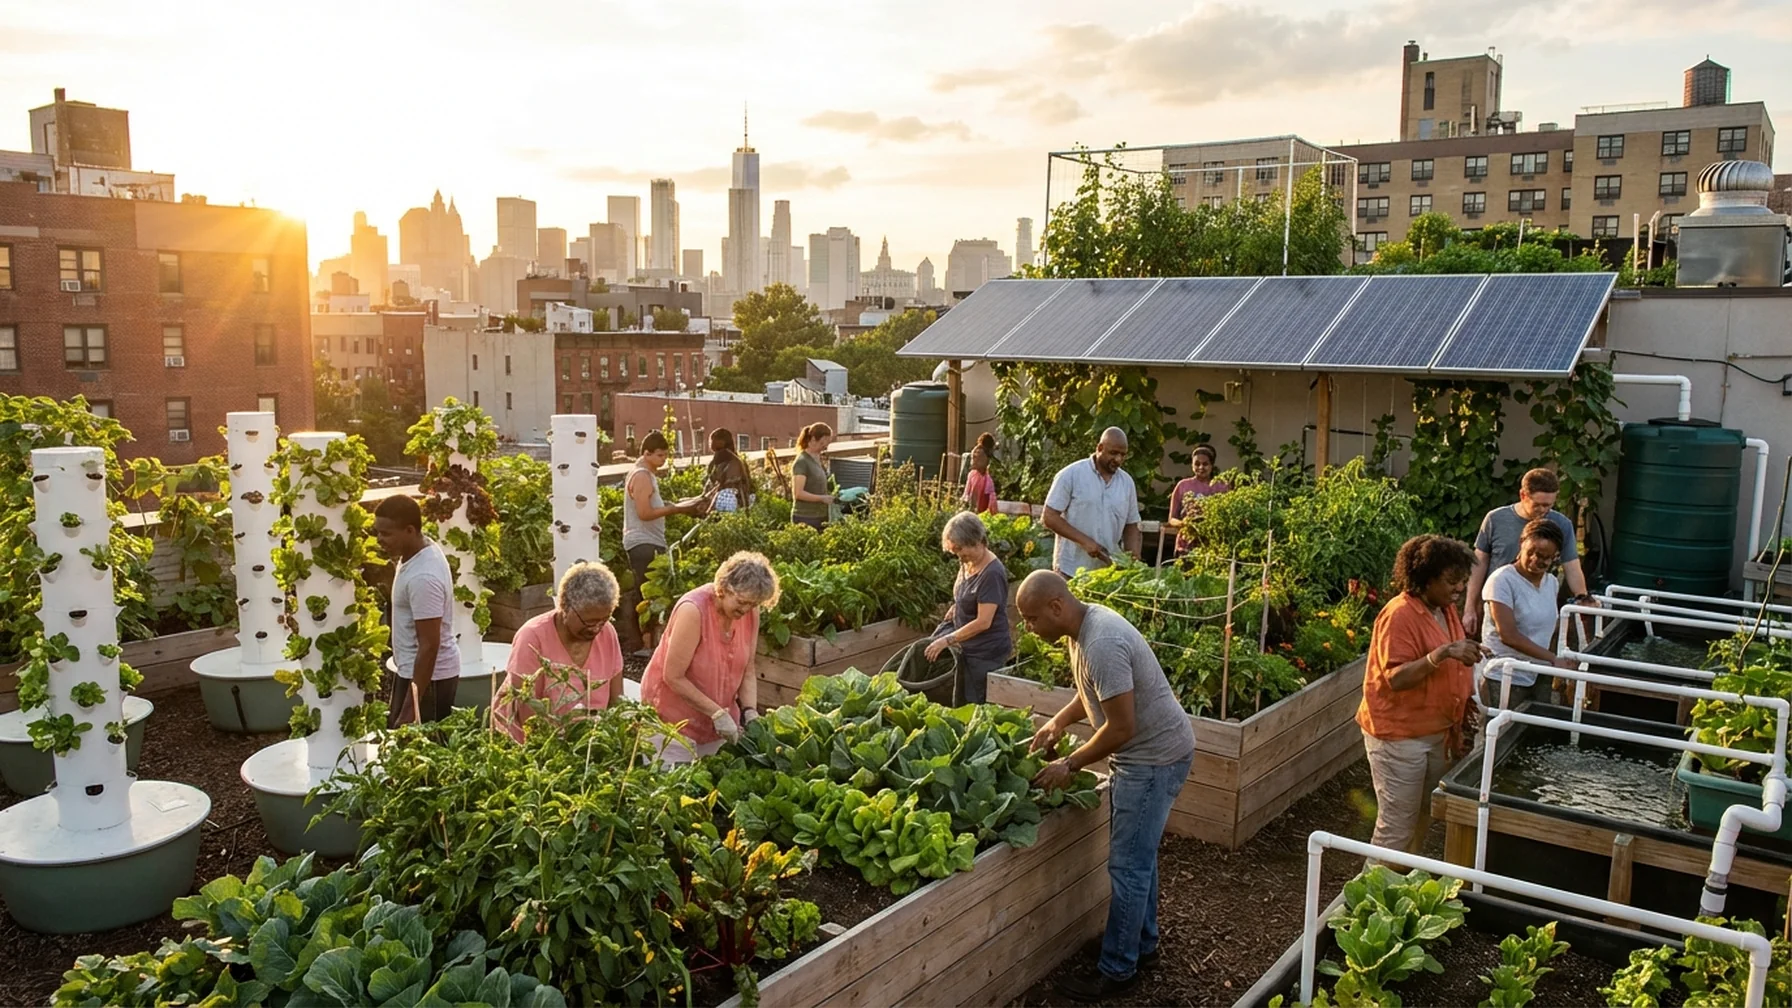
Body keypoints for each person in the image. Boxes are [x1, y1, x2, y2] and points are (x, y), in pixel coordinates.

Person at [1018, 570, 1196, 1001]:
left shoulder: (1101, 642)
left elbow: (1121, 727)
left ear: (1057, 606)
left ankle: (1119, 970)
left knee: (1127, 866)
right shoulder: (1082, 632)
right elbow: (1096, 693)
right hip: (1150, 755)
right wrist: (1060, 721)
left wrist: (1070, 763)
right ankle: (1143, 945)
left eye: (1032, 618)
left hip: (1152, 761)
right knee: (1140, 857)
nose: (1029, 628)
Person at [1358, 535, 1491, 854]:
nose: (1459, 589)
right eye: (1451, 582)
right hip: (1400, 737)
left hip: (1436, 733)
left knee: (1422, 816)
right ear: (1424, 578)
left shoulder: (1444, 609)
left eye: (1462, 581)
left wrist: (1467, 651)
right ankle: (1364, 899)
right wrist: (1442, 654)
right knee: (1395, 827)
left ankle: (1405, 885)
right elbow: (1395, 678)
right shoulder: (1400, 614)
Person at [641, 551, 780, 763]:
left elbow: (747, 669)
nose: (746, 609)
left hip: (716, 722)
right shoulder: (693, 610)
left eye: (753, 604)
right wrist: (717, 713)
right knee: (673, 786)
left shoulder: (750, 612)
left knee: (710, 783)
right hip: (673, 722)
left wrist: (750, 711)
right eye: (742, 602)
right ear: (723, 589)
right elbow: (673, 676)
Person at [493, 562, 624, 742]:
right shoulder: (532, 637)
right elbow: (528, 715)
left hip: (589, 741)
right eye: (589, 622)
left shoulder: (607, 633)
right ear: (565, 607)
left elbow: (617, 701)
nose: (596, 629)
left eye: (604, 619)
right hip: (532, 742)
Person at [1463, 468, 1594, 636]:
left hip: (1536, 607)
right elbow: (1479, 563)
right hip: (1498, 603)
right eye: (1537, 505)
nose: (1543, 510)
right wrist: (1470, 607)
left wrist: (1582, 598)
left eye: (1548, 505)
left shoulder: (1562, 525)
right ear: (1523, 495)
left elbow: (1572, 567)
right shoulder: (1495, 519)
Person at [372, 495, 462, 725]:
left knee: (419, 750)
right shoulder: (418, 550)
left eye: (387, 533)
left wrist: (411, 709)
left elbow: (430, 646)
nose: (380, 539)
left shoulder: (423, 577)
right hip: (415, 673)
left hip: (428, 680)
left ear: (410, 530)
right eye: (378, 532)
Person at [620, 431, 711, 653]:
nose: (663, 460)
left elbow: (659, 505)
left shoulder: (646, 474)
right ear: (647, 453)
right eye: (660, 456)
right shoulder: (641, 476)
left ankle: (644, 642)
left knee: (647, 591)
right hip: (642, 542)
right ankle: (639, 643)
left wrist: (686, 505)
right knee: (646, 592)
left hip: (649, 540)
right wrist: (673, 509)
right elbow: (644, 512)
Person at [1480, 519, 1578, 709]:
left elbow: (1544, 624)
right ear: (1521, 544)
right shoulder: (1502, 580)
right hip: (1505, 675)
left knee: (1537, 730)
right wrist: (1553, 658)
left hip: (1538, 672)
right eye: (1530, 552)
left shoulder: (1551, 583)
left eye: (1544, 557)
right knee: (1503, 733)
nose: (1535, 560)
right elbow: (1508, 635)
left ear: (1555, 557)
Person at [923, 512, 1013, 703]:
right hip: (967, 648)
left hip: (985, 652)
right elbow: (966, 589)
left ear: (977, 541)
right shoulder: (968, 561)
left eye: (960, 549)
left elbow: (983, 622)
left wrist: (947, 640)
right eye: (954, 551)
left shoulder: (992, 574)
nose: (958, 556)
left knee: (976, 703)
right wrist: (958, 605)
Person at [1042, 427, 1142, 577]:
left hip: (1107, 572)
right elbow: (1049, 517)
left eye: (1123, 455)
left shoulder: (1127, 483)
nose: (1118, 459)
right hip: (1071, 570)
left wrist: (1133, 560)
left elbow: (1131, 525)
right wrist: (1084, 541)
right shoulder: (1071, 475)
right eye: (1113, 453)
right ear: (1099, 448)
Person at [1164, 444, 1230, 556]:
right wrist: (1185, 524)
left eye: (1205, 464)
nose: (1201, 467)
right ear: (1192, 465)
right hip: (1185, 544)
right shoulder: (1183, 486)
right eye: (1197, 464)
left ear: (1212, 465)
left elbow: (1227, 518)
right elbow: (1172, 519)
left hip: (1212, 546)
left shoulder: (1221, 487)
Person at [791, 422, 834, 530]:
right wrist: (822, 498)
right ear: (813, 439)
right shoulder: (802, 462)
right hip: (806, 517)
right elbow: (798, 493)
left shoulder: (818, 459)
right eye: (822, 443)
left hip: (821, 516)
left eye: (827, 444)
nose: (825, 447)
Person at [704, 427, 755, 514]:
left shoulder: (732, 459)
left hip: (737, 499)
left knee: (725, 496)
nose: (710, 443)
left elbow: (729, 485)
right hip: (728, 497)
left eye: (712, 440)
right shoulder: (718, 460)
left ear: (721, 442)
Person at [963, 432, 999, 515]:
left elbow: (973, 464)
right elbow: (982, 465)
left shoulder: (976, 449)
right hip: (981, 476)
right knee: (980, 500)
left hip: (975, 475)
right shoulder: (983, 452)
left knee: (973, 497)